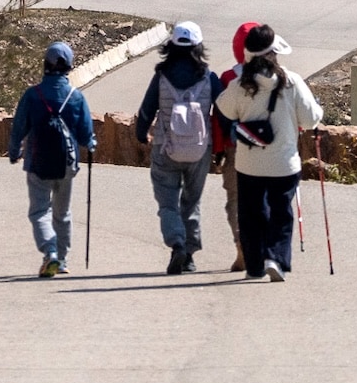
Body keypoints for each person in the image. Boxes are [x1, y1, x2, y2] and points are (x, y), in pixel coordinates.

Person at [214, 23, 322, 282]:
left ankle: (254, 266)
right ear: (273, 52)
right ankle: (276, 258)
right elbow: (310, 119)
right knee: (281, 214)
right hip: (284, 164)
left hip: (249, 164)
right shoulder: (291, 81)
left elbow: (224, 109)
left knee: (251, 215)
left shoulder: (241, 84)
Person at [136, 21, 224, 274]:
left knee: (167, 204)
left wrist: (141, 134)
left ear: (172, 45)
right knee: (192, 201)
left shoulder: (161, 77)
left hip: (166, 148)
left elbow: (146, 110)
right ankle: (190, 255)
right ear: (198, 46)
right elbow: (224, 111)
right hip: (199, 149)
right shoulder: (209, 78)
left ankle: (177, 243)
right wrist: (223, 145)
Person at [7, 41, 96, 278]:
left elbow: (18, 128)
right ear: (68, 67)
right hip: (67, 163)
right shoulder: (76, 97)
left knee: (39, 212)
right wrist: (91, 145)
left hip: (37, 161)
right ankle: (63, 259)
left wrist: (14, 151)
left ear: (45, 65)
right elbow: (86, 132)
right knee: (62, 213)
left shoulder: (32, 95)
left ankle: (51, 252)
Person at [213, 21, 260, 272]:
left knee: (235, 200)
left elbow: (220, 118)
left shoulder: (228, 78)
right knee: (261, 198)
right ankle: (261, 247)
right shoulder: (274, 76)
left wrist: (218, 149)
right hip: (266, 149)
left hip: (234, 148)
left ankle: (241, 246)